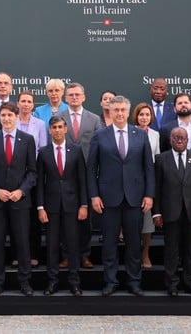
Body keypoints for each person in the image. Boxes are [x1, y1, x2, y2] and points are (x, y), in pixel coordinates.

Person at [87, 95, 155, 296]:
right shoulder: (100, 135)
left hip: (135, 198)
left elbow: (148, 168)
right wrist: (94, 196)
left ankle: (134, 281)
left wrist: (149, 195)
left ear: (128, 111)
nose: (119, 113)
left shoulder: (140, 135)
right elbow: (91, 169)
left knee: (134, 242)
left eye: (123, 110)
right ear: (110, 110)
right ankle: (110, 281)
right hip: (108, 198)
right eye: (115, 110)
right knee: (109, 243)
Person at [0, 102, 37, 296]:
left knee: (22, 242)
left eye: (10, 115)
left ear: (16, 117)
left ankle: (25, 281)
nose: (6, 119)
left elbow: (32, 172)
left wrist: (21, 191)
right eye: (3, 115)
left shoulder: (28, 139)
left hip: (20, 201)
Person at [152, 126, 191, 296]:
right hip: (170, 211)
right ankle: (172, 285)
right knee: (171, 250)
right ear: (170, 140)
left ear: (187, 140)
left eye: (182, 138)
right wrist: (156, 212)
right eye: (175, 138)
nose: (179, 141)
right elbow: (157, 188)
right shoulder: (161, 159)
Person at [36, 116, 86, 297]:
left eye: (60, 127)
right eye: (54, 128)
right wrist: (40, 207)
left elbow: (82, 179)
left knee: (73, 245)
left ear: (66, 129)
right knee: (52, 246)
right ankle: (53, 282)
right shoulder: (43, 152)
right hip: (51, 207)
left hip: (73, 206)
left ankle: (74, 283)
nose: (57, 130)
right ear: (49, 131)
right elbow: (40, 182)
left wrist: (84, 205)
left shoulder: (76, 151)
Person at [58, 81, 103, 268]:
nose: (74, 98)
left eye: (77, 94)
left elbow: (100, 147)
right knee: (65, 217)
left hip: (87, 175)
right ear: (65, 98)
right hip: (64, 175)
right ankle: (67, 255)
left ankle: (84, 254)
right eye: (71, 95)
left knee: (86, 219)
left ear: (84, 97)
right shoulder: (58, 118)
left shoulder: (94, 119)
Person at [16, 90, 47, 267]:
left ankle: (33, 254)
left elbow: (42, 150)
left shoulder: (40, 124)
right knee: (16, 218)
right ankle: (17, 254)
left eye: (29, 101)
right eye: (23, 101)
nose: (26, 104)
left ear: (33, 105)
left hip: (33, 175)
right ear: (18, 103)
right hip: (14, 177)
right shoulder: (11, 120)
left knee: (33, 218)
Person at [132, 102, 161, 268]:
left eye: (147, 115)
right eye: (141, 114)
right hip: (131, 181)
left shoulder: (155, 134)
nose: (144, 117)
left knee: (147, 222)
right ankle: (133, 255)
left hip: (147, 182)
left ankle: (145, 254)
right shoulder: (130, 131)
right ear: (136, 116)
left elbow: (156, 160)